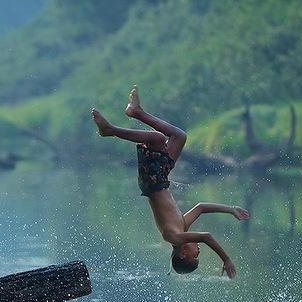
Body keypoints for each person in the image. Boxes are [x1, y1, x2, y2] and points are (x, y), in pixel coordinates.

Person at [91, 86, 248, 278]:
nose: (199, 252)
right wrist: (231, 209)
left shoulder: (173, 236)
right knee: (180, 137)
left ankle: (110, 130)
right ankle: (136, 112)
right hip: (160, 179)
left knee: (157, 139)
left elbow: (206, 237)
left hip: (152, 182)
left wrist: (226, 259)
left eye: (195, 257)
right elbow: (201, 207)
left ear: (183, 254)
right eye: (198, 255)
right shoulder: (181, 228)